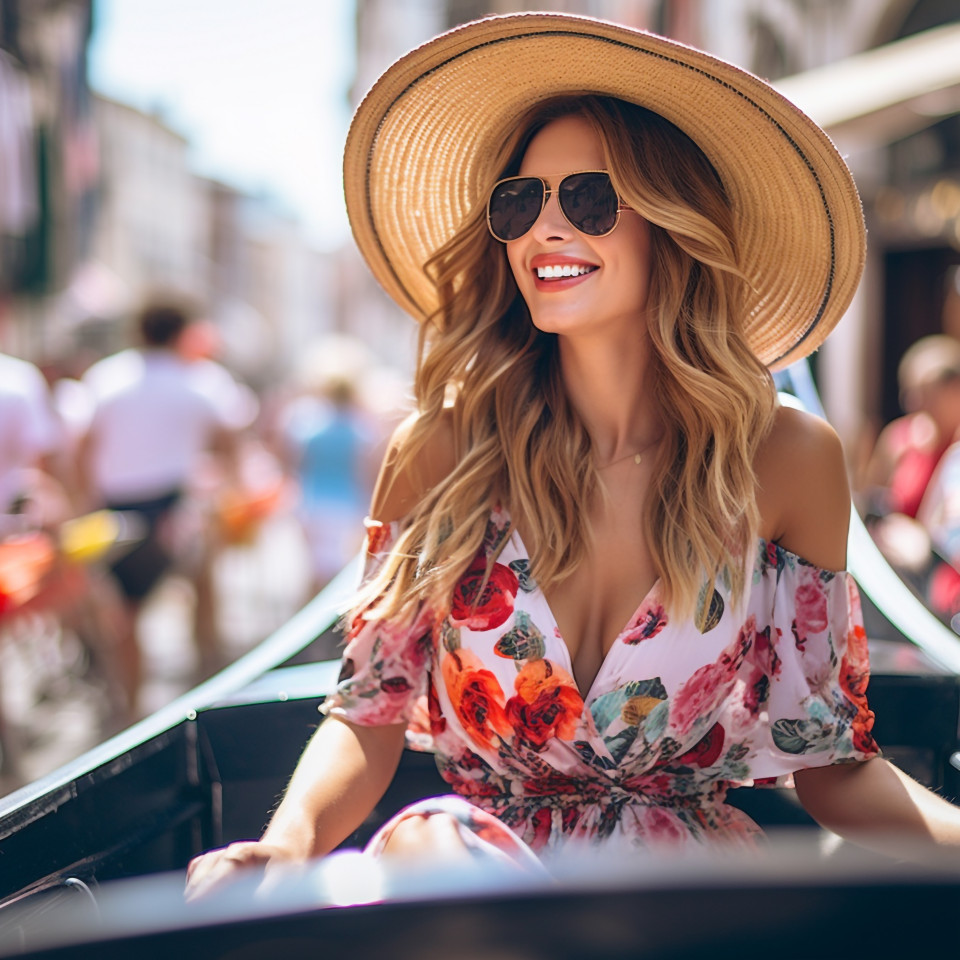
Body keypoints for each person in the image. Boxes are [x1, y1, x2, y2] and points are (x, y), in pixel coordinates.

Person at [185, 12, 960, 899]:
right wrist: (284, 847)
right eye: (519, 202)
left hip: (684, 907)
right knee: (432, 839)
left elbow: (832, 765)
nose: (545, 229)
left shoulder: (784, 458)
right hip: (474, 897)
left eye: (587, 198)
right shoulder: (442, 450)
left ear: (674, 223)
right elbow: (368, 715)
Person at [78, 294, 257, 715]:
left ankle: (131, 710)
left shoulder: (106, 378)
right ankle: (208, 687)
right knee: (201, 588)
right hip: (177, 508)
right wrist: (227, 491)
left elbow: (82, 446)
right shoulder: (198, 380)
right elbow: (229, 441)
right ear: (182, 333)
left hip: (116, 508)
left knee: (125, 614)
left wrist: (84, 502)